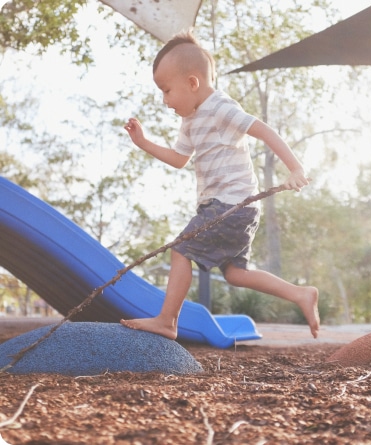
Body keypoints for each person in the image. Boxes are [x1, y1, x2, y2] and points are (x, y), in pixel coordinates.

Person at [120, 30, 320, 340]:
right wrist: (143, 142)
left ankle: (167, 320)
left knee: (180, 250)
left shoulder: (220, 107)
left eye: (167, 90)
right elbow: (178, 159)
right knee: (236, 274)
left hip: (231, 204)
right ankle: (300, 294)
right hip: (232, 208)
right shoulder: (190, 121)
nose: (165, 100)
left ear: (192, 83)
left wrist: (294, 167)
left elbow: (263, 130)